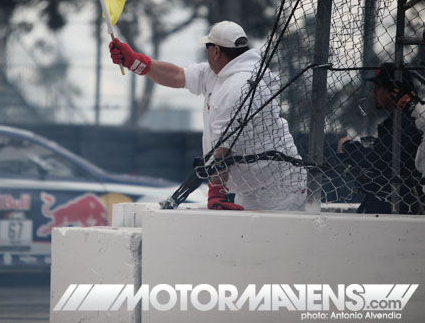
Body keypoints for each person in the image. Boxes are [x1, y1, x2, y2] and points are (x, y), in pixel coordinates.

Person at [109, 21, 307, 211]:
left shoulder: (240, 86)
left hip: (279, 190)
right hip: (254, 187)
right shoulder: (219, 73)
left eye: (207, 47)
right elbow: (179, 76)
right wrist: (135, 62)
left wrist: (217, 192)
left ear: (216, 51)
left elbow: (225, 147)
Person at [338, 63, 424, 214]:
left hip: (404, 206)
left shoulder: (406, 123)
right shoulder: (400, 121)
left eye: (378, 87)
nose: (374, 92)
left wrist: (348, 147)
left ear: (392, 90)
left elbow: (380, 160)